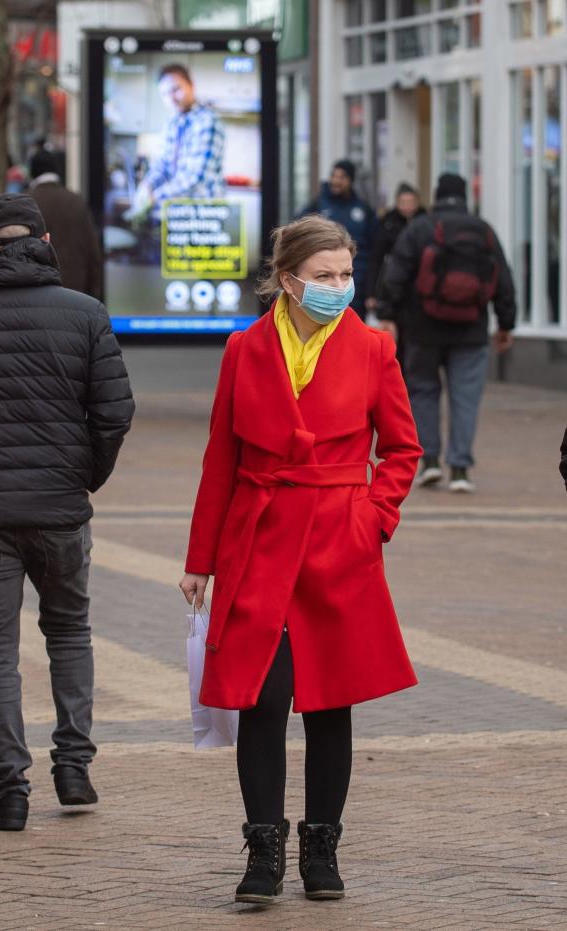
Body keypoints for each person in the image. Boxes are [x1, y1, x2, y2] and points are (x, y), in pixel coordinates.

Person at [178, 215, 421, 905]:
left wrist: (372, 518)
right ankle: (263, 850)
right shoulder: (244, 349)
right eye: (325, 276)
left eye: (346, 275)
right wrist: (200, 559)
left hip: (339, 545)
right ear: (289, 282)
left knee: (329, 701)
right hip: (258, 540)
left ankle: (322, 847)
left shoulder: (373, 348)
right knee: (263, 696)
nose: (339, 288)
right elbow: (220, 460)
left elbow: (403, 448)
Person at [0, 193, 134, 832]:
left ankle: (9, 787)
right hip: (62, 510)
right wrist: (83, 478)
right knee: (69, 630)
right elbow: (115, 413)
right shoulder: (86, 313)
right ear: (44, 242)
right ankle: (73, 766)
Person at [376, 172, 516, 493]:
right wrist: (506, 324)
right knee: (465, 399)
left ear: (437, 195)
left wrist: (387, 314)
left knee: (423, 392)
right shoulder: (484, 231)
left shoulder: (420, 228)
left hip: (423, 330)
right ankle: (461, 469)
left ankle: (430, 463)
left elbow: (395, 272)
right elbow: (504, 281)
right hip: (472, 331)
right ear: (465, 196)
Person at [123, 64, 226, 226]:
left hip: (204, 218)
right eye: (164, 94)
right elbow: (163, 165)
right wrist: (147, 185)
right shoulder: (172, 123)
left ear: (191, 85)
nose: (171, 98)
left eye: (176, 89)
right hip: (177, 216)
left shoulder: (207, 121)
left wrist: (154, 197)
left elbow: (195, 177)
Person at [299, 160, 378, 315]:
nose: (336, 181)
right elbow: (300, 231)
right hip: (324, 283)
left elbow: (375, 250)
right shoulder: (318, 204)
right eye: (333, 176)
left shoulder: (363, 209)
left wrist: (371, 289)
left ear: (350, 180)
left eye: (341, 177)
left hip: (356, 283)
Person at [27, 146, 105, 299]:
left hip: (35, 298)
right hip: (75, 296)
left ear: (32, 172)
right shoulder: (77, 202)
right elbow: (93, 255)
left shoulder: (25, 202)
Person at [367, 183, 426, 364]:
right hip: (391, 290)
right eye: (403, 202)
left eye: (411, 202)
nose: (407, 206)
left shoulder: (426, 222)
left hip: (417, 291)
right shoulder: (387, 224)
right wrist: (372, 293)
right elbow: (375, 261)